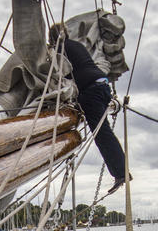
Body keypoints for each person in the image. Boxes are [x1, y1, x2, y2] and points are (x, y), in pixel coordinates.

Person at [49, 23, 129, 195]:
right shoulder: (76, 45)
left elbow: (60, 75)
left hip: (91, 91)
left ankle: (121, 173)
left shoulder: (59, 50)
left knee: (102, 133)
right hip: (103, 86)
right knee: (104, 131)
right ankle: (121, 172)